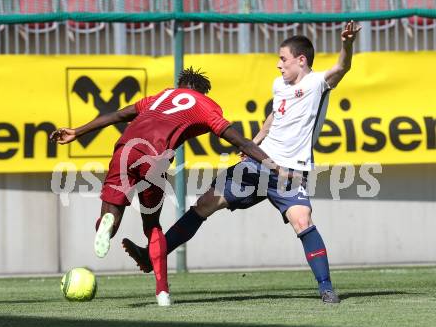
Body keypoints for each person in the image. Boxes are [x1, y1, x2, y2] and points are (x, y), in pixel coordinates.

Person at [122, 21, 362, 304]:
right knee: (205, 204)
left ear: (301, 60)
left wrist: (346, 43)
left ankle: (326, 287)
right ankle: (153, 258)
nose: (278, 65)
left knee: (302, 220)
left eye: (283, 59)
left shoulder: (317, 83)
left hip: (289, 172)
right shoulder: (279, 85)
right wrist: (257, 141)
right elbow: (275, 115)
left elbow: (341, 68)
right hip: (259, 165)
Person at [50, 67, 287, 306]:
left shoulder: (160, 96)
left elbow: (118, 116)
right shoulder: (205, 105)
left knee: (111, 216)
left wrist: (77, 132)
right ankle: (162, 292)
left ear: (180, 85)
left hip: (126, 149)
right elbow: (241, 141)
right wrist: (274, 167)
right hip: (154, 159)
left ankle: (106, 226)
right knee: (152, 226)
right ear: (201, 92)